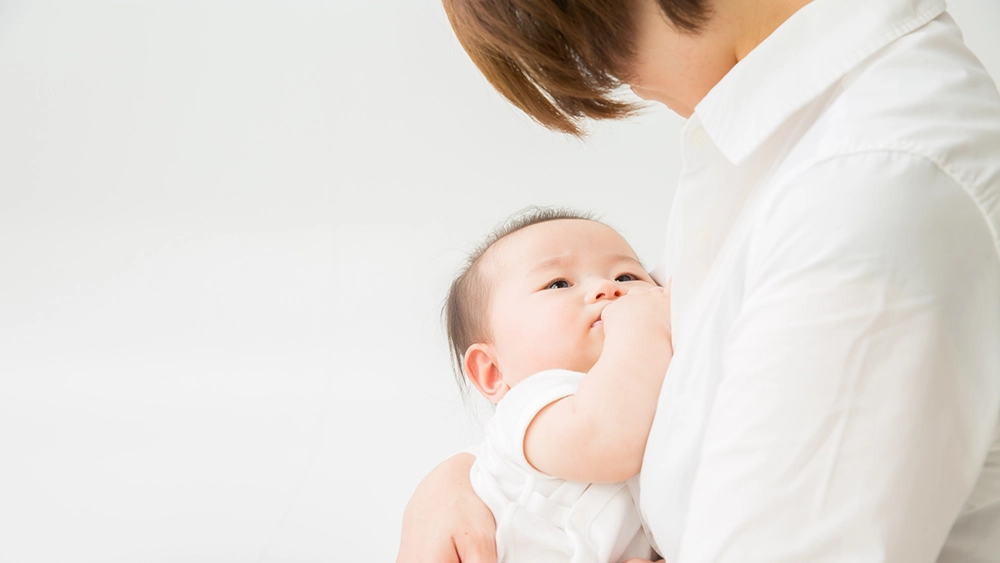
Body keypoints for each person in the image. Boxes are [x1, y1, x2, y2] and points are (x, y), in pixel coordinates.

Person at [398, 0, 1000, 561]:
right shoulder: (772, 148)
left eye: (594, 45)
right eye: (557, 285)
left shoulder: (871, 186)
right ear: (489, 371)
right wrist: (457, 481)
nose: (609, 76)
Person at [444, 208, 670, 562]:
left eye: (626, 276)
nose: (606, 288)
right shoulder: (531, 405)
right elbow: (605, 440)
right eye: (559, 284)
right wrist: (642, 320)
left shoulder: (655, 392)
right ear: (492, 371)